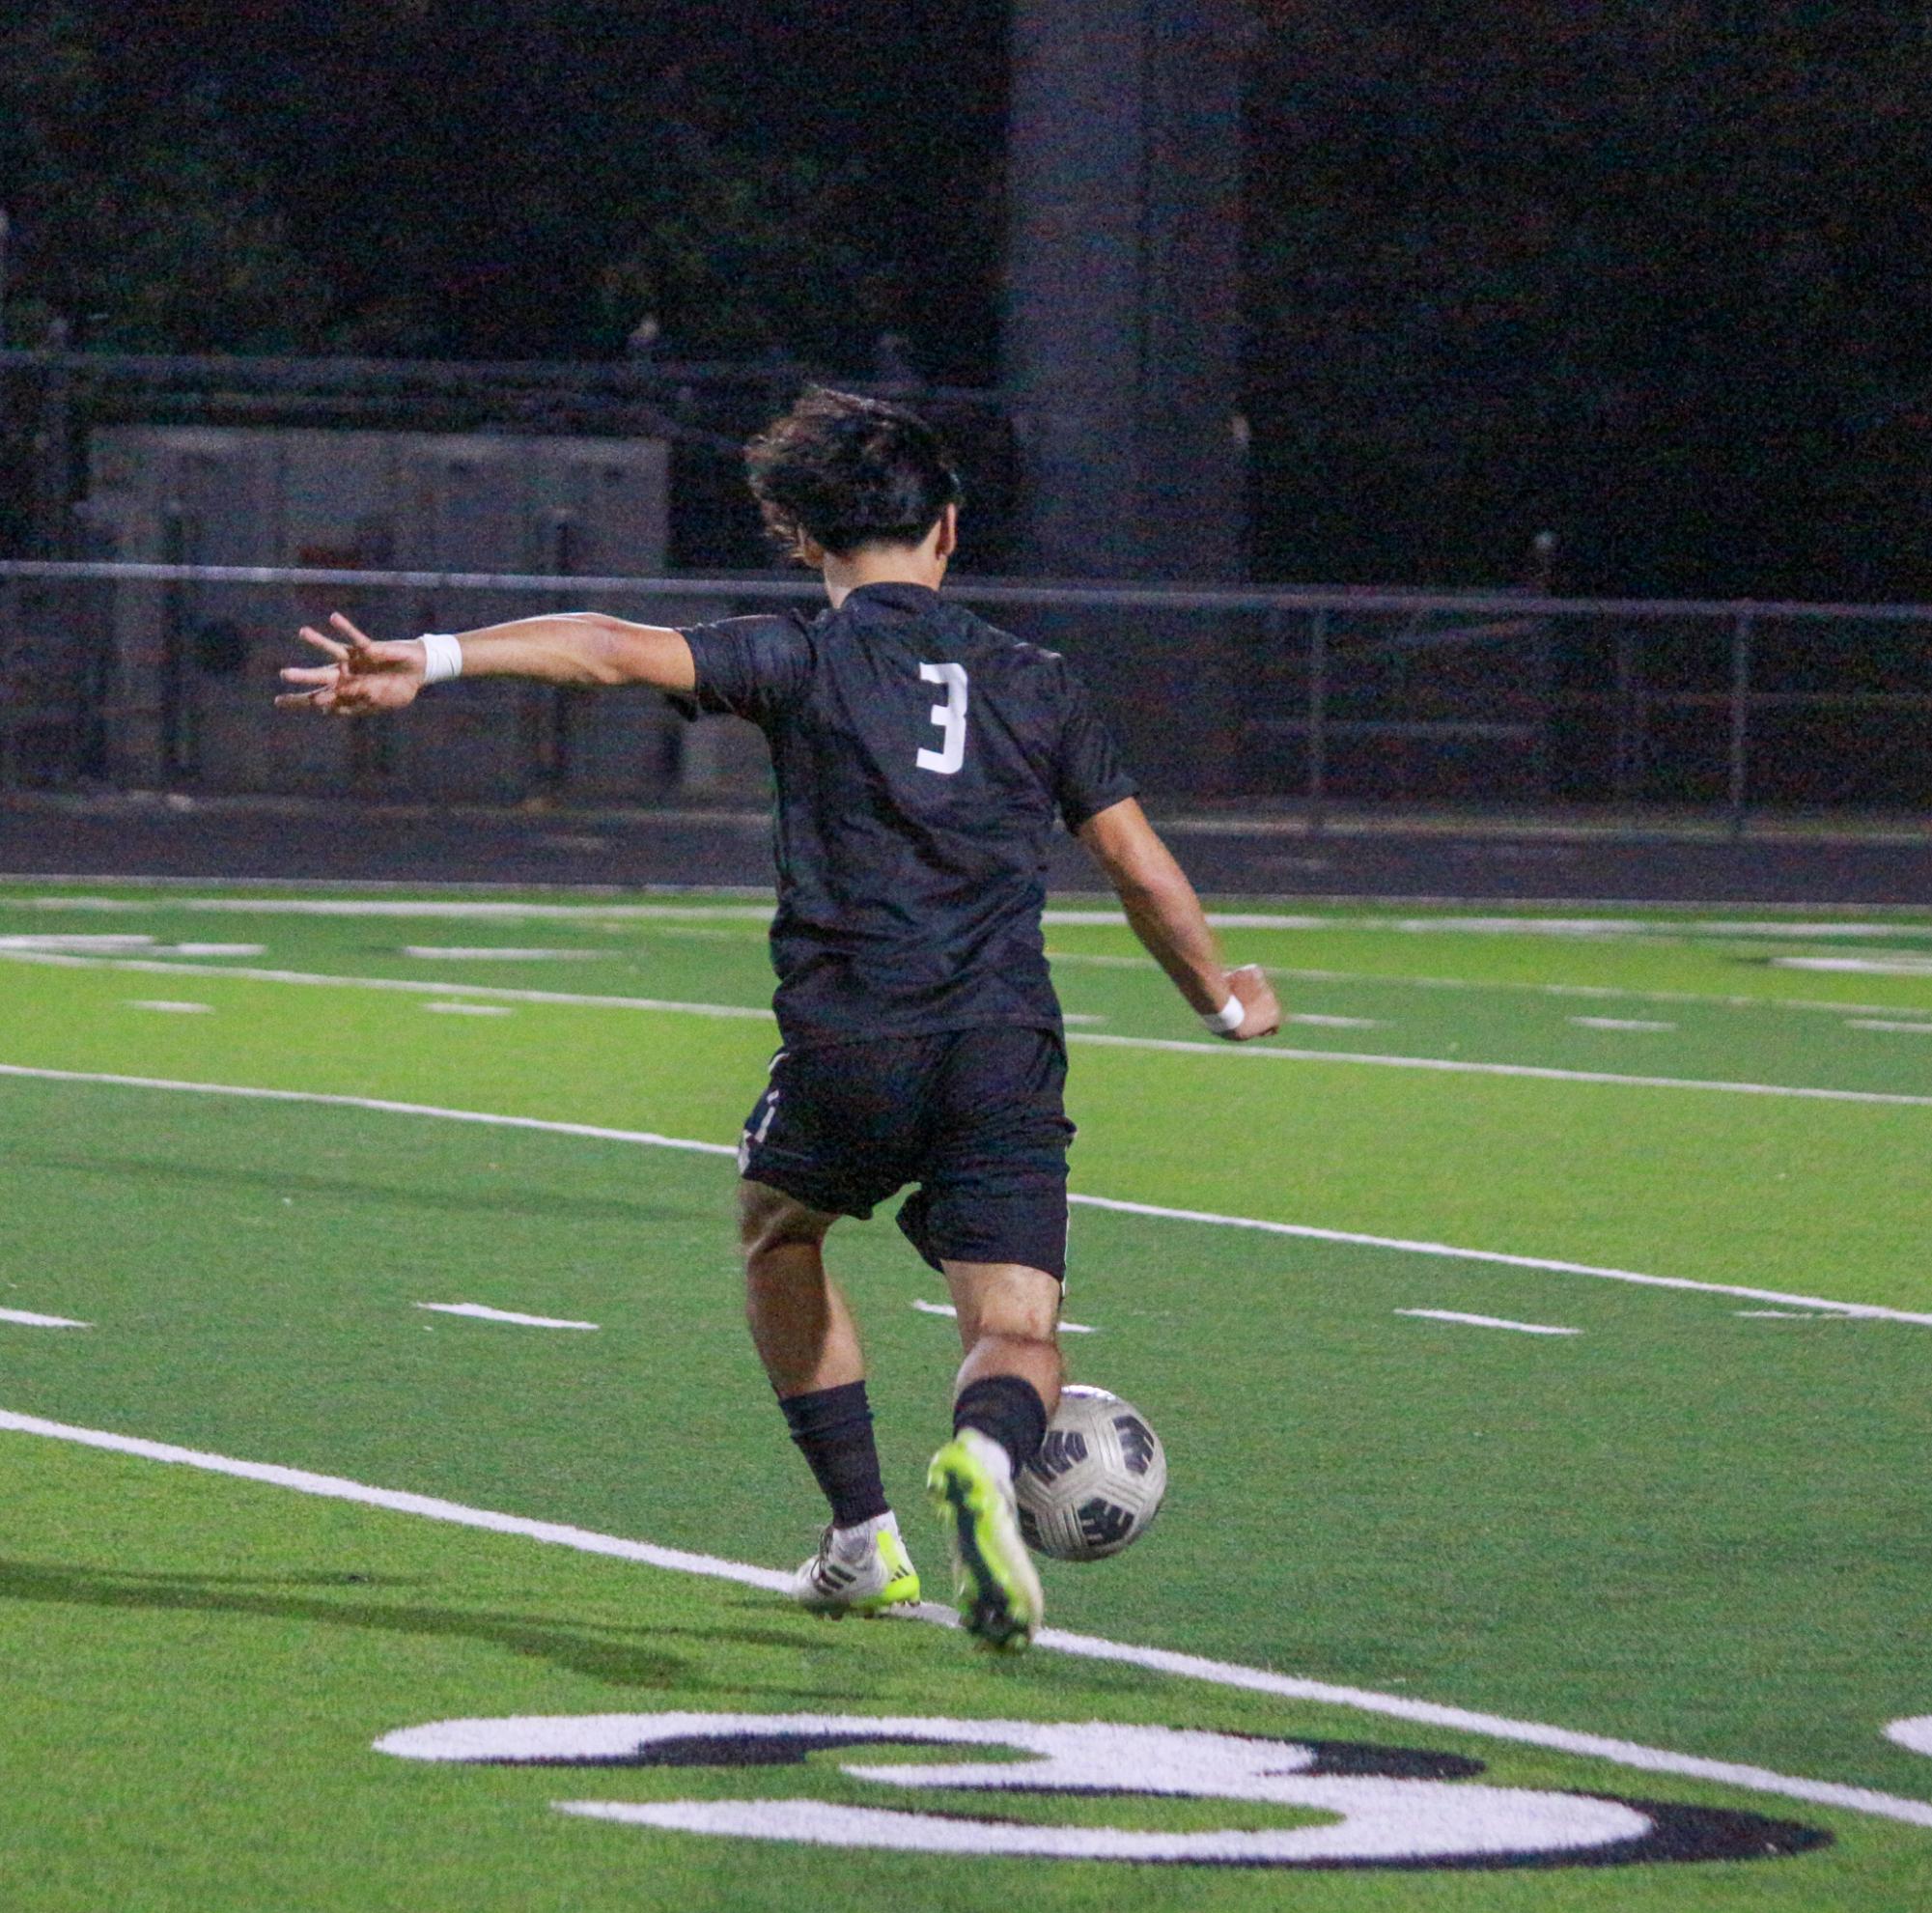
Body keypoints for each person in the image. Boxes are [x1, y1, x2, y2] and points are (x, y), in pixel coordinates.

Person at [278, 386, 1280, 1650]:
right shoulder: (1037, 681)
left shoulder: (801, 654)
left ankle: (862, 1536)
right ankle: (981, 1452)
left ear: (803, 539)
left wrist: (429, 659)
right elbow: (1138, 867)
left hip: (853, 1036)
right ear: (950, 531)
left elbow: (604, 644)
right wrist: (1220, 995)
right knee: (1019, 1329)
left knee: (777, 1227)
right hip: (1001, 1049)